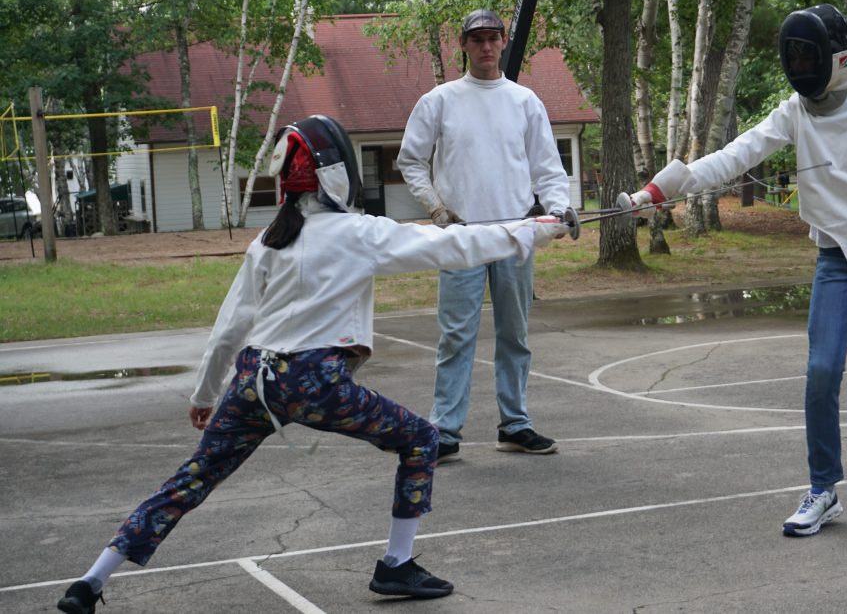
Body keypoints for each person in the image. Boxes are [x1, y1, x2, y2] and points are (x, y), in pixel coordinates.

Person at [56, 115, 569, 613]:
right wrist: (536, 228)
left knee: (191, 479)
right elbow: (456, 245)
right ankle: (396, 565)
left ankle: (90, 580)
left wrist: (205, 395)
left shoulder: (270, 240)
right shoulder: (359, 233)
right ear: (338, 173)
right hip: (313, 380)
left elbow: (230, 328)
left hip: (253, 381)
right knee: (421, 439)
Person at [620, 4, 847, 537]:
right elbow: (734, 156)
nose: (800, 62)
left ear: (838, 57)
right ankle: (824, 489)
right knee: (821, 371)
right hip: (837, 252)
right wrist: (661, 188)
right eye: (796, 54)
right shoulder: (793, 112)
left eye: (808, 54)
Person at [397, 8, 571, 464]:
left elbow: (547, 168)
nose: (487, 47)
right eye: (478, 39)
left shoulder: (525, 101)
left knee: (515, 334)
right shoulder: (439, 100)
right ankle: (444, 429)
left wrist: (559, 209)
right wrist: (435, 206)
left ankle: (515, 424)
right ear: (464, 44)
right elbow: (411, 161)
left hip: (515, 234)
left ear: (504, 41)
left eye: (494, 38)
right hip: (461, 238)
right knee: (456, 336)